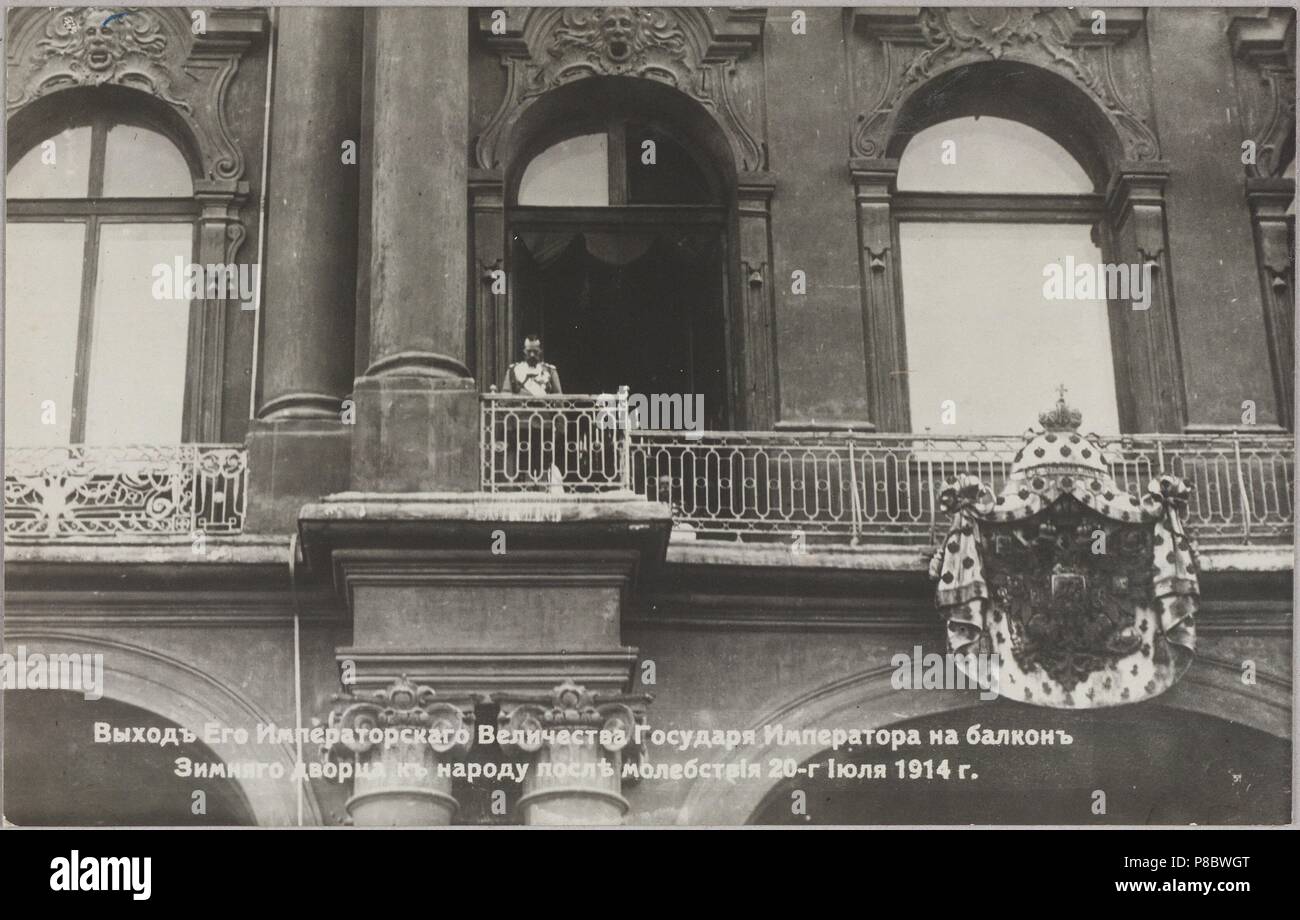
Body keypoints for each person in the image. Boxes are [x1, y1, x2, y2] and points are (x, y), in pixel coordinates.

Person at [502, 336, 563, 487]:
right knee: (522, 462)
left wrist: (560, 426)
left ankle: (542, 493)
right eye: (529, 351)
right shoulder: (514, 371)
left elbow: (559, 399)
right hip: (520, 425)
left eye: (535, 351)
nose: (532, 355)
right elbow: (504, 397)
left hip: (544, 425)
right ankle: (524, 492)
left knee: (543, 462)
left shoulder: (549, 371)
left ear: (540, 351)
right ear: (524, 351)